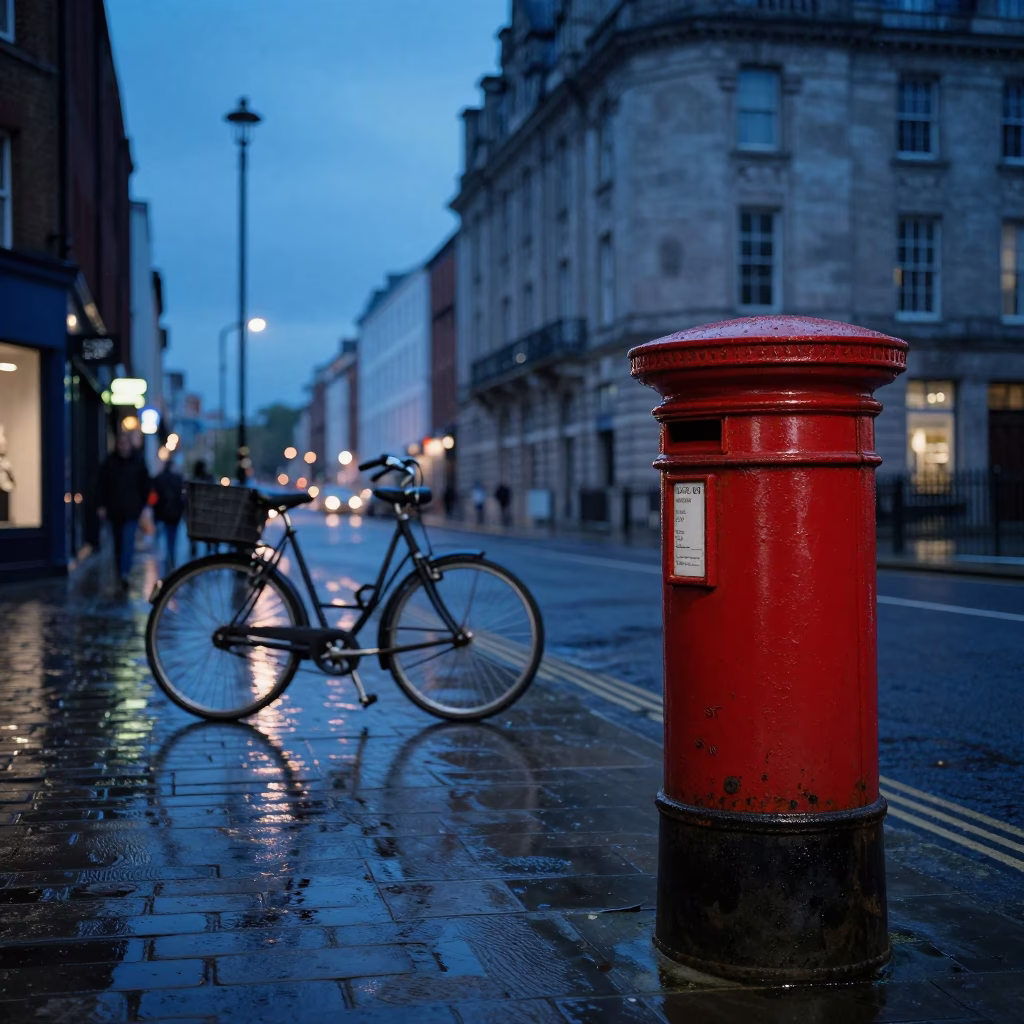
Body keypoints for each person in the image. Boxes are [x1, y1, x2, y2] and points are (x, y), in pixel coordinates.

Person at [96, 431, 152, 591]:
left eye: (125, 443)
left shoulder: (138, 462)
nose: (123, 446)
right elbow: (101, 486)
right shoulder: (110, 463)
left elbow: (145, 486)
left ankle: (124, 573)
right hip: (114, 511)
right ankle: (121, 570)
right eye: (120, 443)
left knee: (128, 542)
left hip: (132, 511)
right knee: (118, 544)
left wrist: (144, 507)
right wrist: (101, 505)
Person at [152, 458, 186, 572]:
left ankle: (163, 557)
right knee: (172, 538)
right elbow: (182, 498)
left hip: (163, 514)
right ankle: (170, 558)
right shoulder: (178, 479)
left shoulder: (159, 479)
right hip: (173, 515)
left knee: (161, 536)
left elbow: (154, 498)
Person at [189, 459, 215, 557]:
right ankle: (208, 549)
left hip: (196, 514)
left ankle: (194, 549)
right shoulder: (209, 480)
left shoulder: (193, 480)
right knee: (207, 530)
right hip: (207, 514)